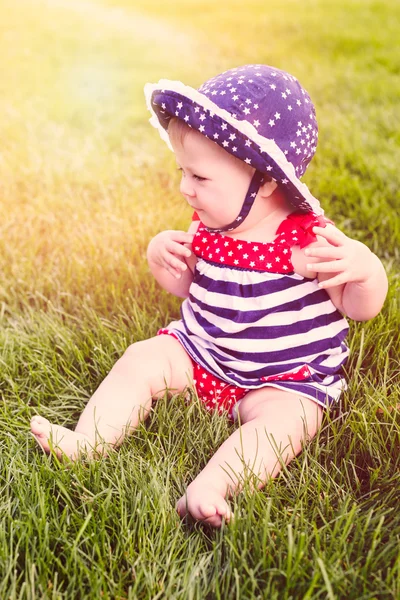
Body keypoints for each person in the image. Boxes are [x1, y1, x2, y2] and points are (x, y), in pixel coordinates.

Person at [31, 64, 388, 527]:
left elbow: (359, 309)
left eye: (199, 178)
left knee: (289, 422)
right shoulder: (212, 227)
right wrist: (165, 263)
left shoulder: (308, 242)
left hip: (281, 378)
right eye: (184, 172)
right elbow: (194, 288)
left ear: (264, 183)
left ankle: (214, 485)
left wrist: (367, 272)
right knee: (144, 357)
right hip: (202, 355)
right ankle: (89, 440)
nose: (184, 188)